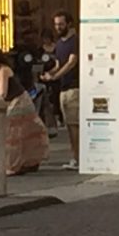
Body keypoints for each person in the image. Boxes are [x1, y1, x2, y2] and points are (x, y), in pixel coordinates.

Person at [0, 44, 48, 176]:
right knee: (19, 134)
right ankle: (26, 163)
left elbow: (3, 93)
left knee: (13, 134)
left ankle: (15, 165)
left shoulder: (3, 70)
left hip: (19, 101)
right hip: (11, 102)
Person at [41, 11, 80, 171]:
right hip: (63, 88)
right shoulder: (59, 44)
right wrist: (49, 74)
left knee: (75, 124)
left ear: (69, 24)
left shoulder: (75, 41)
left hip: (74, 87)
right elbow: (59, 64)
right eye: (56, 24)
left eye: (61, 24)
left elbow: (71, 62)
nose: (58, 27)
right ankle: (75, 156)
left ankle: (78, 158)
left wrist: (55, 76)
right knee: (70, 125)